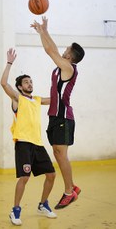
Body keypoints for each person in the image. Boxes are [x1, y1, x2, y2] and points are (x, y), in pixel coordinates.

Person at [31, 17, 85, 209]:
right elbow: (55, 98)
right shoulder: (59, 69)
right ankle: (72, 187)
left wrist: (44, 32)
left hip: (64, 118)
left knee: (61, 155)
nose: (64, 50)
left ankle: (69, 192)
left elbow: (49, 50)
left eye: (67, 49)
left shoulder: (68, 68)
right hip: (55, 117)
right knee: (57, 153)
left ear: (70, 56)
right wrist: (35, 101)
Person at [0, 48, 57, 226]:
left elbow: (55, 98)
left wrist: (63, 79)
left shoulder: (37, 99)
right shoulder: (18, 99)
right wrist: (9, 63)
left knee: (52, 174)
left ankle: (43, 204)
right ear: (20, 87)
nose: (30, 84)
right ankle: (15, 210)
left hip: (38, 144)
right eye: (26, 82)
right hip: (23, 144)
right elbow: (3, 84)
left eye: (31, 82)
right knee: (24, 178)